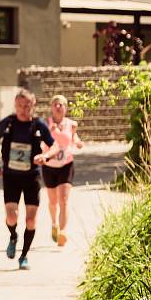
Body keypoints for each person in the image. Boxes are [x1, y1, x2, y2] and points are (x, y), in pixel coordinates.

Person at [0, 89, 60, 270]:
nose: (23, 109)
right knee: (12, 217)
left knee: (30, 220)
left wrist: (46, 156)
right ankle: (13, 236)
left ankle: (24, 256)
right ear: (15, 105)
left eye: (27, 105)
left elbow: (55, 145)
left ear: (33, 105)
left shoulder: (38, 125)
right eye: (20, 105)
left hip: (32, 177)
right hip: (11, 176)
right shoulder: (9, 123)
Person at [41, 95, 83, 247]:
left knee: (63, 200)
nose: (58, 107)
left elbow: (74, 138)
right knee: (53, 201)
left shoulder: (72, 124)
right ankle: (54, 224)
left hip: (66, 164)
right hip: (49, 165)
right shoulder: (46, 124)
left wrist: (78, 143)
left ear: (65, 108)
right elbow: (40, 140)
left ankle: (63, 232)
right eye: (55, 105)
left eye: (61, 105)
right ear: (52, 108)